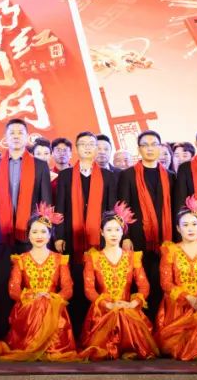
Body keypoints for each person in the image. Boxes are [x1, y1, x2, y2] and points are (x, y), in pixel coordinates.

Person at [0, 118, 52, 340]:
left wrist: (45, 232)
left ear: (27, 136)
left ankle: (28, 332)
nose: (16, 136)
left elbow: (45, 202)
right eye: (12, 132)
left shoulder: (39, 165)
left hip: (30, 235)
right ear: (6, 137)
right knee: (2, 283)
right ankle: (2, 333)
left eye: (21, 132)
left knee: (28, 283)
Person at [78, 202, 158, 360]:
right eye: (109, 230)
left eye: (117, 230)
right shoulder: (93, 257)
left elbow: (144, 286)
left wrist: (133, 303)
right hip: (103, 310)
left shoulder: (132, 257)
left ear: (123, 232)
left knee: (124, 316)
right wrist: (107, 305)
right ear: (101, 232)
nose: (113, 234)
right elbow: (89, 289)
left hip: (127, 307)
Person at [54, 131, 117, 330]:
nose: (87, 147)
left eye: (91, 144)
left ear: (97, 148)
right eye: (83, 144)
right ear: (77, 148)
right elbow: (60, 208)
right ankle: (76, 327)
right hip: (71, 237)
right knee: (74, 279)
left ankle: (98, 326)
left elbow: (111, 210)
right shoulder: (65, 176)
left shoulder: (108, 176)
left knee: (98, 281)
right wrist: (59, 235)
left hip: (100, 238)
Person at [0, 203, 77, 362]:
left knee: (44, 304)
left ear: (50, 235)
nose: (39, 235)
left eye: (43, 231)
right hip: (28, 307)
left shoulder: (59, 259)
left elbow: (68, 289)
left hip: (52, 306)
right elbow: (13, 290)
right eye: (34, 232)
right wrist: (32, 296)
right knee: (38, 304)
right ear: (28, 235)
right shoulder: (21, 260)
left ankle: (48, 346)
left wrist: (50, 297)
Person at [155, 197, 197, 361]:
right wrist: (188, 298)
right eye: (185, 225)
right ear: (178, 229)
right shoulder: (170, 250)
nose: (190, 228)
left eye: (194, 224)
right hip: (178, 304)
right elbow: (166, 283)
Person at [117, 130, 174, 320]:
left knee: (162, 281)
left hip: (165, 239)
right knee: (139, 282)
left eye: (154, 144)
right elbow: (123, 207)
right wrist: (125, 237)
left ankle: (160, 321)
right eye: (145, 145)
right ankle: (141, 323)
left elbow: (174, 209)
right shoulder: (127, 175)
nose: (150, 148)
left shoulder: (170, 176)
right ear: (139, 149)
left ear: (160, 147)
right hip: (137, 238)